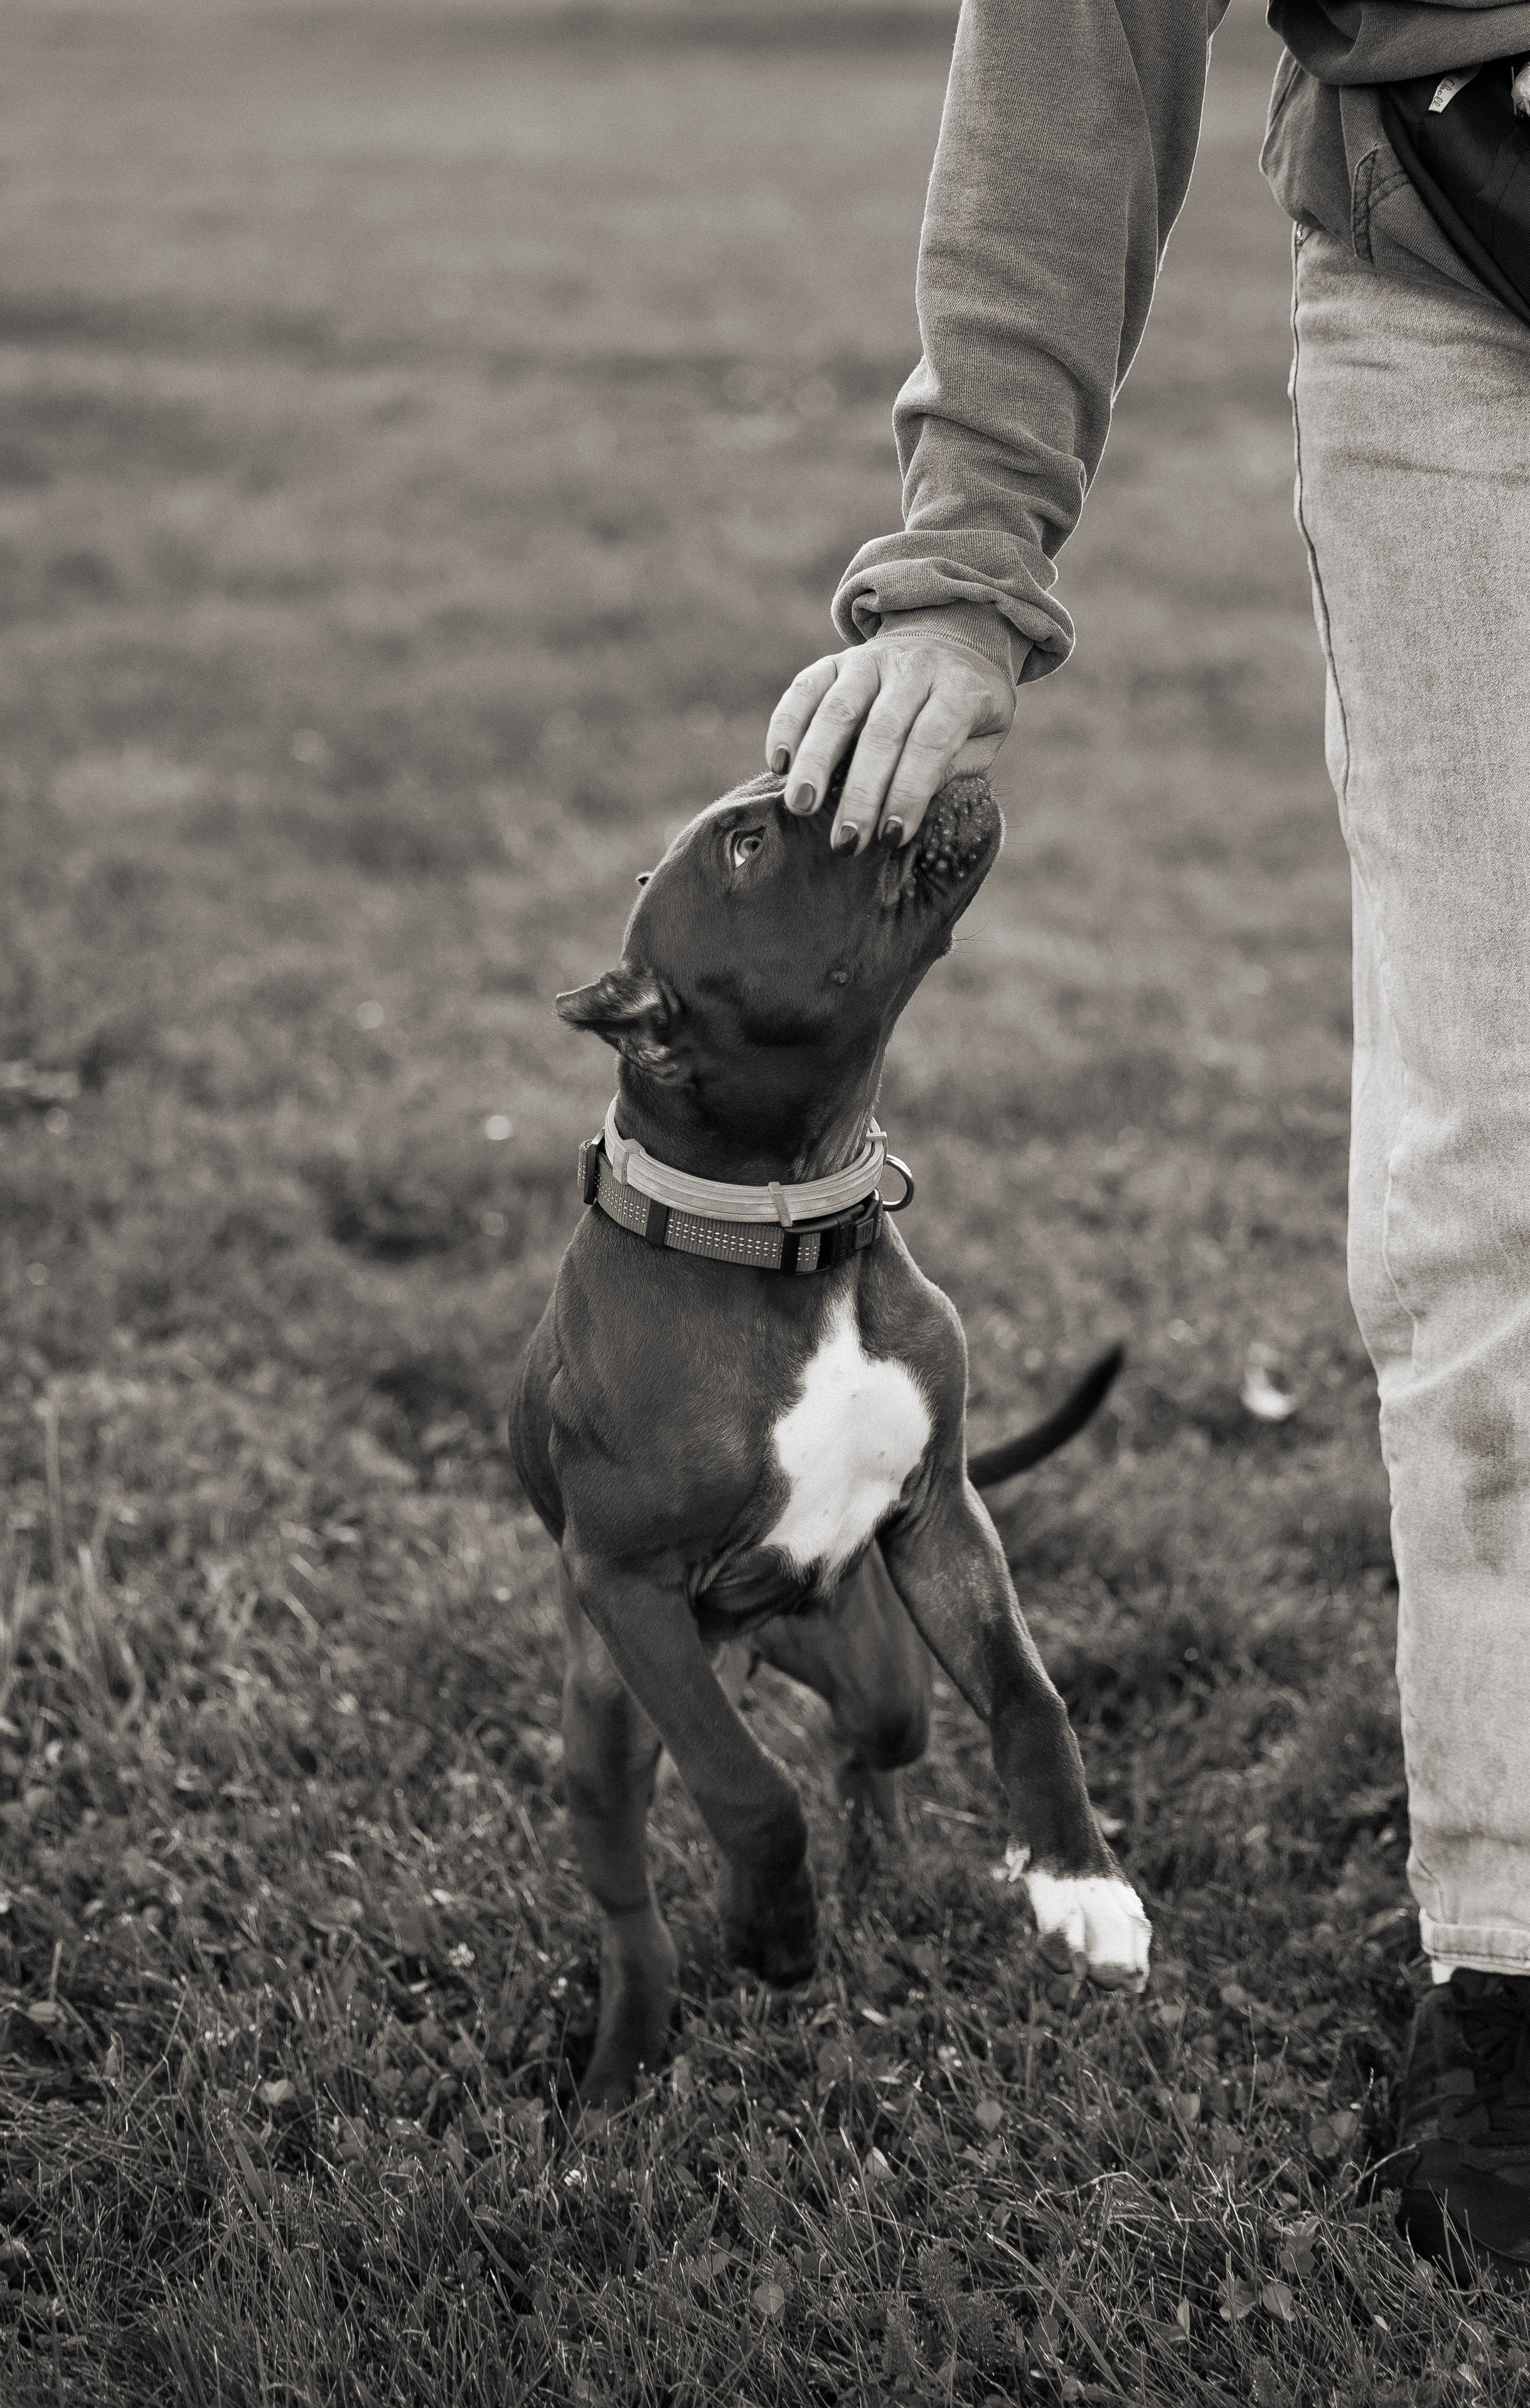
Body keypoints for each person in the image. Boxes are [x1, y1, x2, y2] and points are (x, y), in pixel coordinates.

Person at [765, 0, 1530, 2277]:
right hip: (1459, 302)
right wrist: (967, 549)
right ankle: (1512, 1937)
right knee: (1499, 1163)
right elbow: (1079, 29)